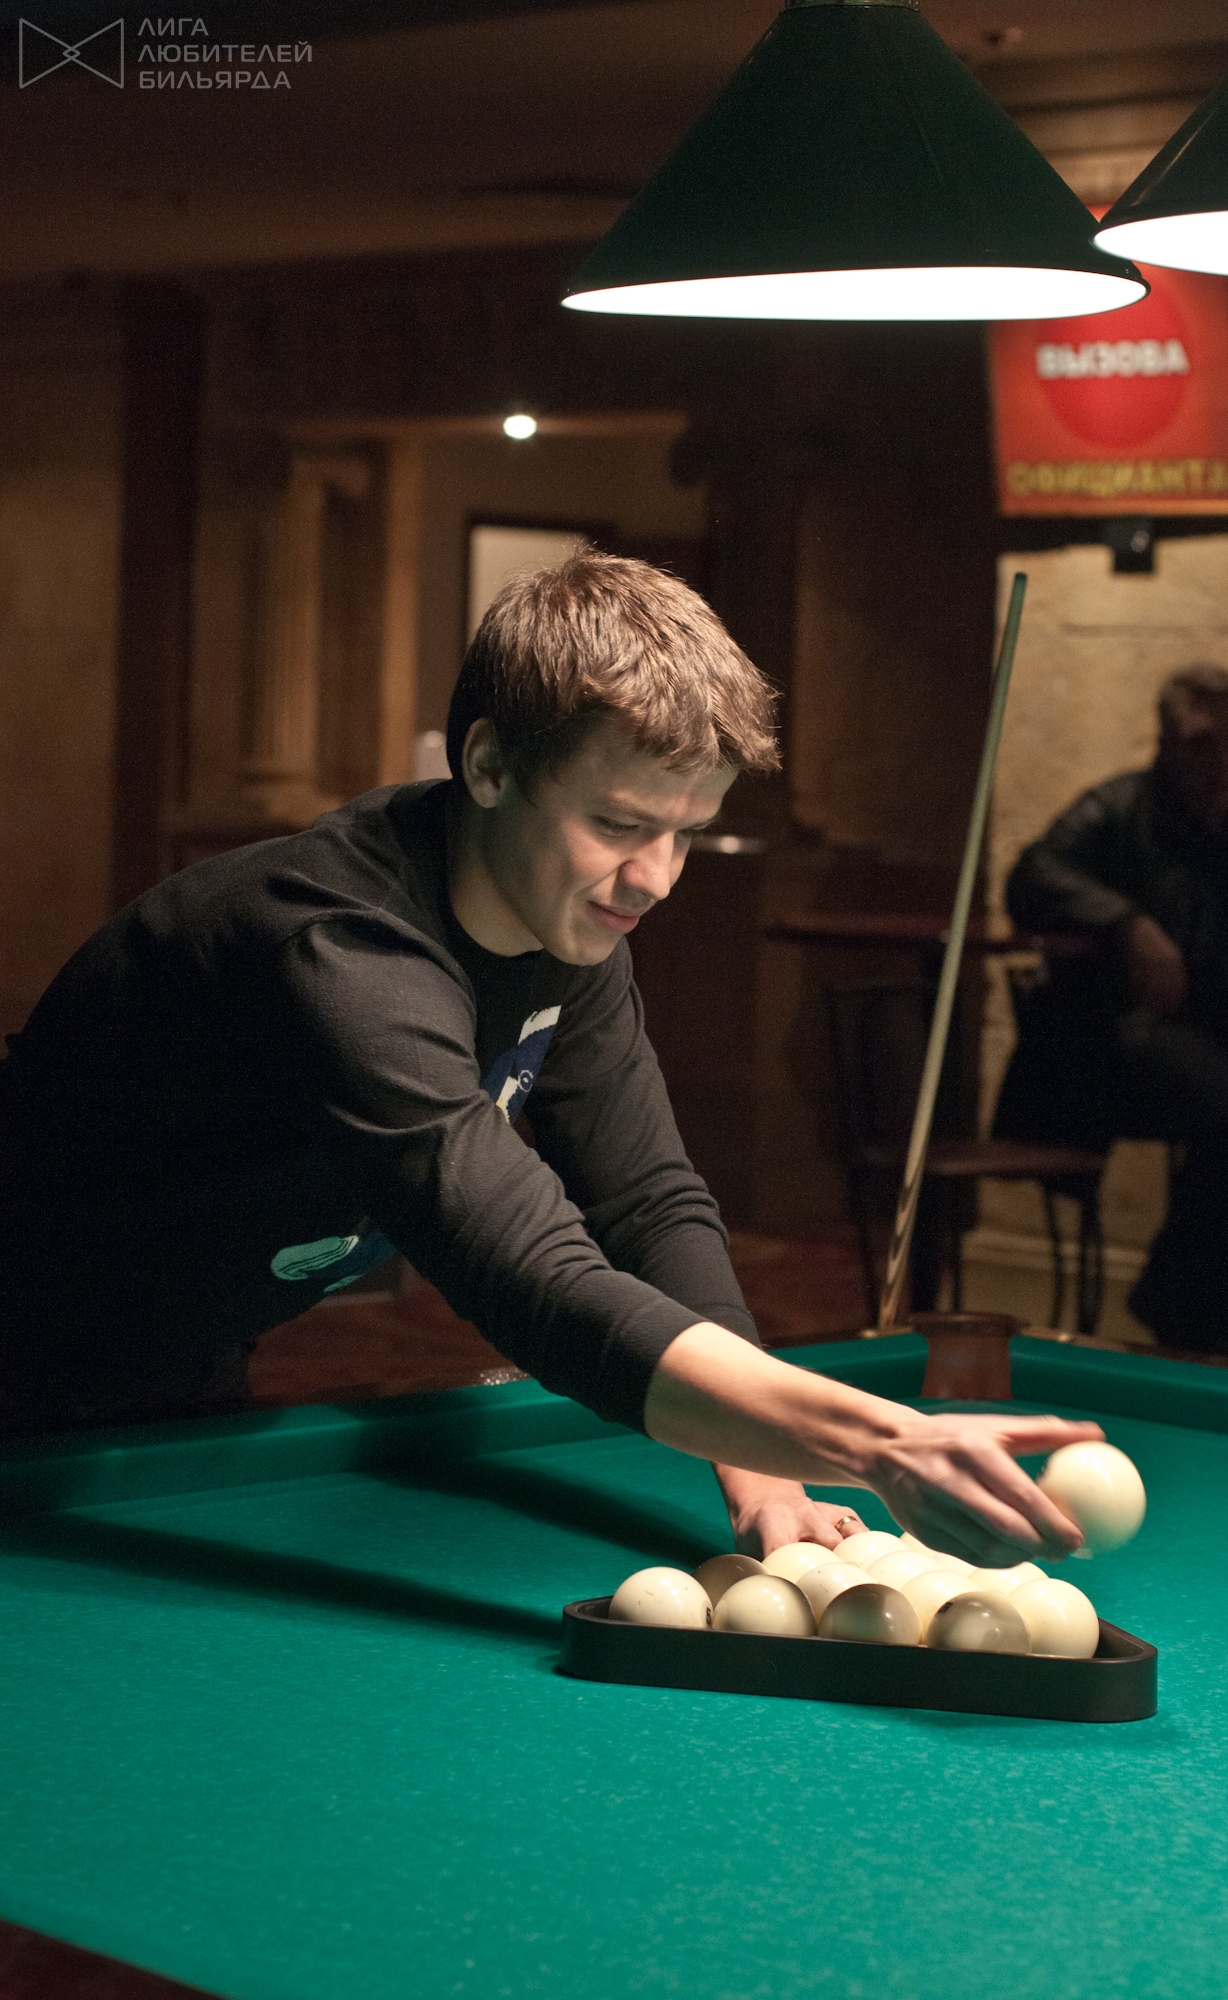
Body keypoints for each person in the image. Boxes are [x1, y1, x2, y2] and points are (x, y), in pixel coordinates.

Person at [0, 551, 1095, 1562]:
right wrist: (874, 1439)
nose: (655, 877)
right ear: (489, 763)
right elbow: (528, 1271)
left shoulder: (563, 924)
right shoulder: (339, 945)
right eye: (619, 824)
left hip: (175, 1356)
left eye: (686, 832)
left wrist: (762, 1464)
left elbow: (647, 1204)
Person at [996, 663, 1228, 1358]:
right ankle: (1180, 1300)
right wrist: (1127, 922)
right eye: (1202, 743)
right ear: (1167, 744)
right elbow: (1032, 874)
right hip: (1119, 1036)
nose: (1221, 762)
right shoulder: (1119, 809)